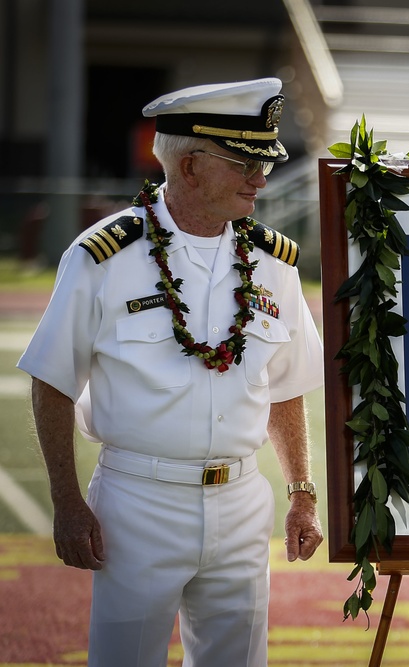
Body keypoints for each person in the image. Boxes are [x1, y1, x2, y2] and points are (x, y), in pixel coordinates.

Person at [17, 78, 325, 666]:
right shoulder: (101, 256)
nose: (261, 178)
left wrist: (302, 491)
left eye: (263, 162)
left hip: (240, 502)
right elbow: (52, 379)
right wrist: (66, 499)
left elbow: (285, 387)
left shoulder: (272, 262)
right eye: (243, 164)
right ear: (189, 168)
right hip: (137, 504)